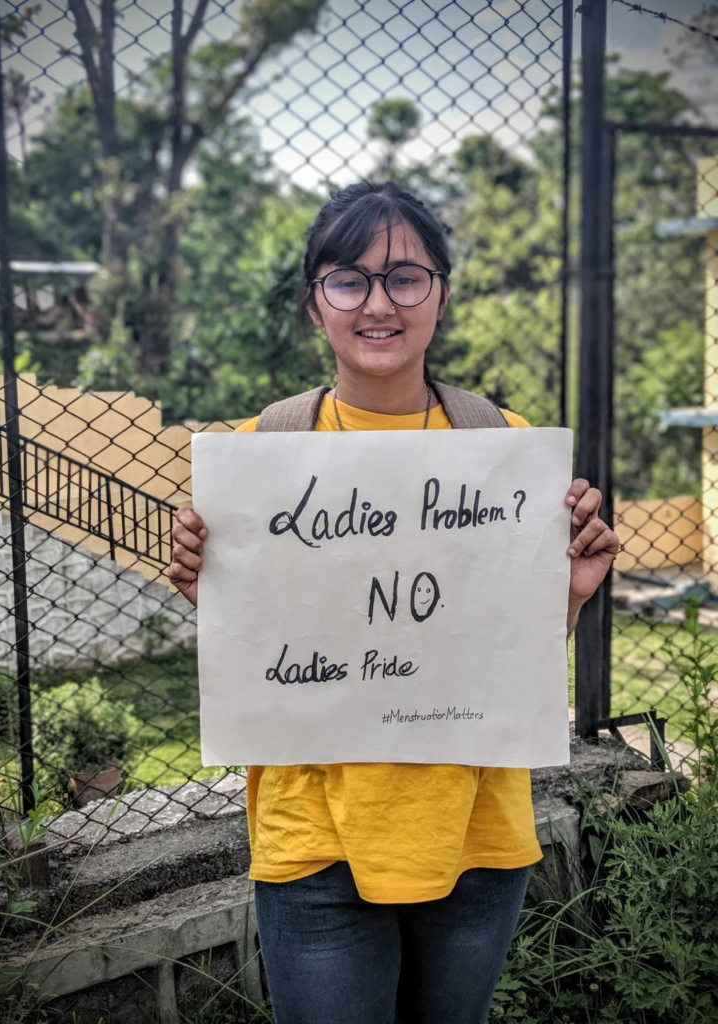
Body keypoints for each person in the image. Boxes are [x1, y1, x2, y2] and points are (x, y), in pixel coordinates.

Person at [169, 181, 619, 1024]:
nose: (378, 303)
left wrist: (566, 596)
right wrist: (215, 599)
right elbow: (265, 657)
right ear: (316, 304)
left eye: (406, 276)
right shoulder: (258, 457)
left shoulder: (504, 446)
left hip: (477, 834)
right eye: (349, 279)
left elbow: (502, 657)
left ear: (441, 293)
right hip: (314, 842)